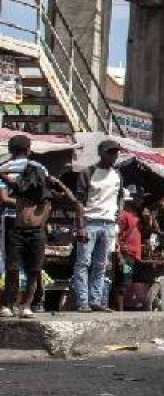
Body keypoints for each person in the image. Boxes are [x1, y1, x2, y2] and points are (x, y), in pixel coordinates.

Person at [0, 136, 83, 318]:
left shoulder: (38, 180)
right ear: (29, 149)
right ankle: (11, 303)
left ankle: (24, 304)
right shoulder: (29, 178)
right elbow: (9, 190)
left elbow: (70, 199)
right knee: (16, 267)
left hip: (26, 227)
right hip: (18, 226)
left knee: (28, 268)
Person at [72, 139, 124, 313]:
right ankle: (83, 301)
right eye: (111, 152)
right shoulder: (88, 173)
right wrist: (81, 226)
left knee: (101, 265)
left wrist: (118, 215)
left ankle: (96, 300)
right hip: (90, 222)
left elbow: (120, 197)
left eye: (116, 152)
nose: (114, 155)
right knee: (83, 263)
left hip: (108, 224)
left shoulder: (117, 174)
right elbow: (79, 202)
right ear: (101, 153)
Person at [111, 189, 143, 312]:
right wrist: (120, 255)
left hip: (130, 253)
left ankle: (119, 307)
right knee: (125, 279)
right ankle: (119, 308)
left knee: (125, 279)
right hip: (126, 255)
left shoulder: (132, 213)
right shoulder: (123, 215)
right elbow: (116, 235)